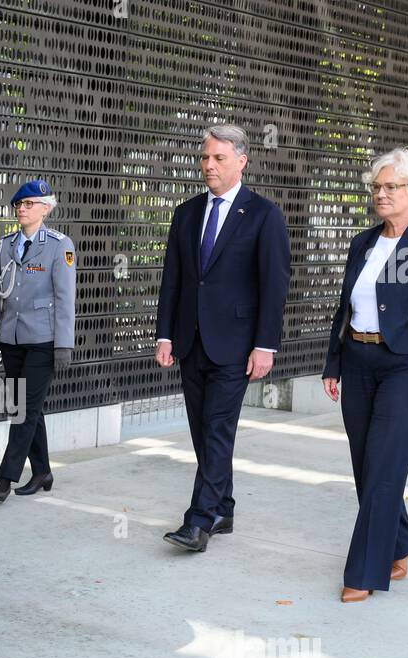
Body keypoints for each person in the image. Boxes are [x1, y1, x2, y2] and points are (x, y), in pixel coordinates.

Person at [321, 147, 408, 603]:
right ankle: (400, 542)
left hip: (404, 367)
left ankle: (365, 570)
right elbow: (346, 308)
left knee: (382, 469)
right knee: (367, 465)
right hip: (357, 360)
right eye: (376, 187)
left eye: (390, 186)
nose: (380, 193)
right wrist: (333, 362)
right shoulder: (363, 242)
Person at [154, 124, 290, 553]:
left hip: (236, 344)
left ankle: (198, 522)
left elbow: (275, 284)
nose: (208, 165)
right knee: (201, 430)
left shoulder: (264, 214)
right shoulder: (187, 212)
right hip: (190, 342)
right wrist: (164, 335)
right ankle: (223, 506)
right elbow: (172, 280)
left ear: (241, 161)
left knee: (217, 429)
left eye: (219, 158)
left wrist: (265, 345)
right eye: (205, 157)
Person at [0, 179, 76, 502]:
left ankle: (5, 478)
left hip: (43, 340)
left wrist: (64, 344)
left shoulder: (60, 245)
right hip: (12, 338)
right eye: (19, 204)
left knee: (24, 410)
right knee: (27, 407)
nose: (22, 209)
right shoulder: (5, 244)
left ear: (45, 208)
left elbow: (65, 298)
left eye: (29, 204)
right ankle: (42, 470)